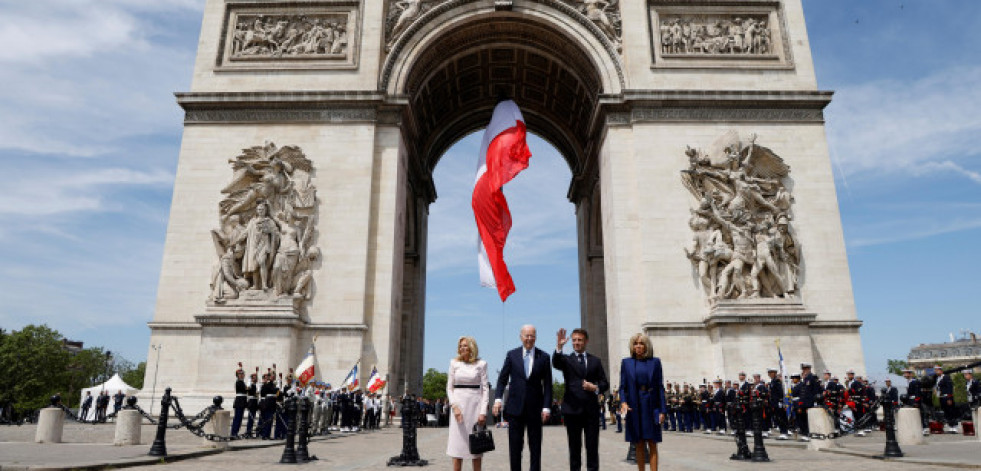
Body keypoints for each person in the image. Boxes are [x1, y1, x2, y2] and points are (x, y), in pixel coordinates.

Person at [493, 325, 553, 471]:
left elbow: (548, 385)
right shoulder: (511, 355)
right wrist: (498, 400)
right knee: (514, 449)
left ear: (536, 337)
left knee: (535, 448)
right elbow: (502, 380)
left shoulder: (544, 357)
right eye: (526, 335)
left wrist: (546, 407)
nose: (529, 338)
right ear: (521, 337)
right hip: (515, 409)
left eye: (532, 335)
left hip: (535, 409)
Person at [552, 328, 609, 471]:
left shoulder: (595, 361)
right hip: (572, 411)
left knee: (592, 449)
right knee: (574, 450)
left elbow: (604, 383)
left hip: (591, 412)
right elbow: (556, 363)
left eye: (580, 340)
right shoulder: (566, 360)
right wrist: (559, 347)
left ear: (586, 341)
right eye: (574, 340)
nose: (576, 343)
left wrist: (594, 387)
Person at [618, 333, 667, 471]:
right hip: (635, 406)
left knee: (652, 443)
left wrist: (663, 410)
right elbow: (623, 387)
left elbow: (659, 387)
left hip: (651, 406)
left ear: (646, 346)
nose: (638, 346)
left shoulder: (655, 362)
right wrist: (623, 403)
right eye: (635, 343)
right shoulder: (626, 363)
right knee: (638, 443)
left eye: (641, 343)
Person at [446, 336, 490, 471]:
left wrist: (483, 412)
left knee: (476, 448)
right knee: (457, 449)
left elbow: (485, 389)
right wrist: (454, 407)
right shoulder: (454, 363)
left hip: (475, 408)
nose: (462, 348)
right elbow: (449, 387)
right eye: (460, 346)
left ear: (472, 347)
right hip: (458, 409)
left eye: (465, 345)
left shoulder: (481, 364)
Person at [934, 365, 958, 433]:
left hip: (947, 396)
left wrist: (949, 398)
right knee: (946, 412)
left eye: (937, 370)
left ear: (940, 370)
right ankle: (950, 426)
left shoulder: (946, 377)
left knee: (951, 412)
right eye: (935, 370)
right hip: (941, 397)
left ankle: (954, 426)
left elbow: (949, 387)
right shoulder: (938, 378)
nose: (936, 371)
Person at [231, 364, 248, 435]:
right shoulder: (239, 382)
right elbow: (246, 389)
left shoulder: (242, 382)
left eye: (242, 374)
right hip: (239, 402)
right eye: (240, 374)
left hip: (242, 401)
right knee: (237, 418)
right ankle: (233, 433)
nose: (241, 375)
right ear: (237, 375)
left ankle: (236, 432)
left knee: (240, 418)